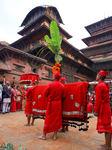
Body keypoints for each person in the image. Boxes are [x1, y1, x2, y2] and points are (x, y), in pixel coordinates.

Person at [38, 71, 65, 140]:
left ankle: (44, 135)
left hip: (51, 103)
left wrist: (50, 97)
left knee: (48, 118)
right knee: (56, 118)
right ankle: (55, 135)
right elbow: (64, 96)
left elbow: (44, 93)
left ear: (54, 77)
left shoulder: (50, 84)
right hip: (58, 104)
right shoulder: (62, 86)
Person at [94, 70, 111, 150]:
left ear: (100, 77)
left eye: (97, 75)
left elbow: (98, 100)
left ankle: (108, 147)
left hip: (103, 108)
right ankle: (107, 144)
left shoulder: (99, 86)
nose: (96, 77)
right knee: (106, 126)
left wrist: (96, 111)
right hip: (106, 107)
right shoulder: (105, 85)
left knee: (107, 128)